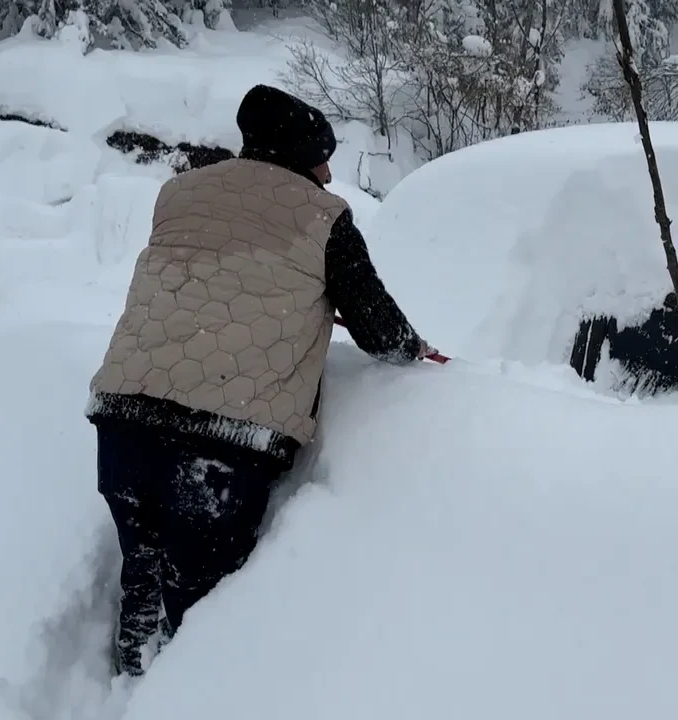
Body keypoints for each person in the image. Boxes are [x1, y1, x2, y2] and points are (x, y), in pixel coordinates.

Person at [85, 84, 434, 677]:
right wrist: (413, 348)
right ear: (301, 153)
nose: (328, 171)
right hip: (221, 441)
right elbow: (378, 328)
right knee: (199, 617)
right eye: (324, 156)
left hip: (122, 418)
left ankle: (130, 677)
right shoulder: (326, 218)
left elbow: (218, 272)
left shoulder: (179, 193)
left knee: (141, 574)